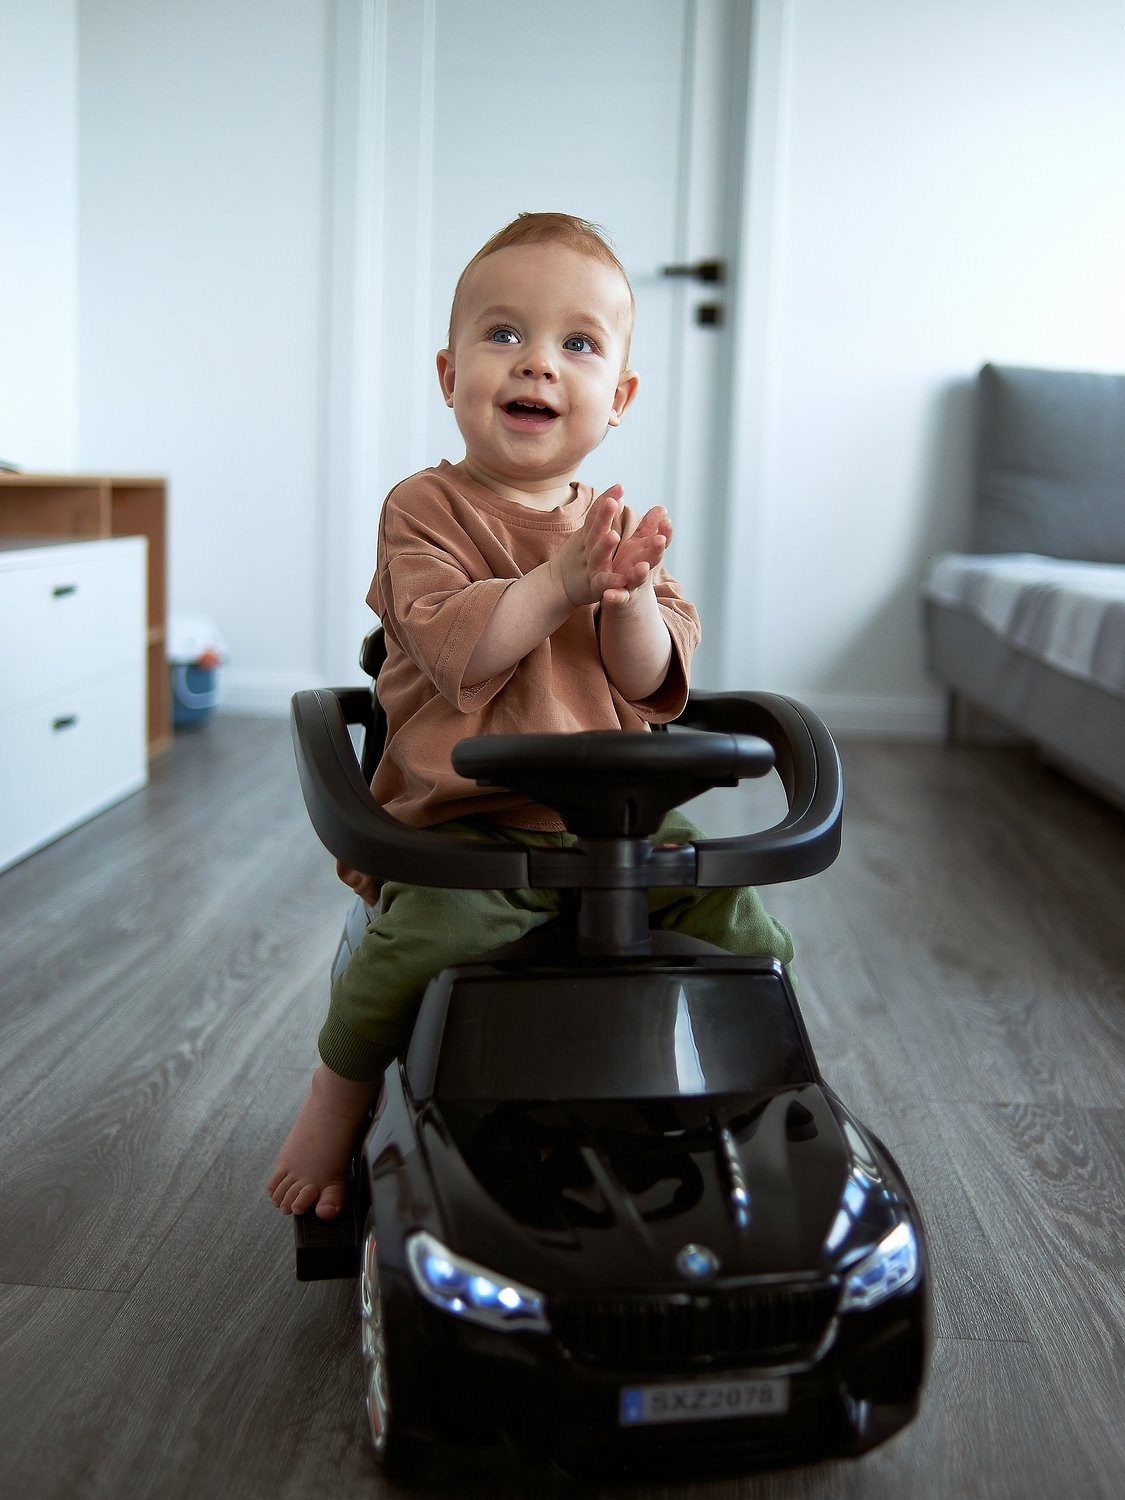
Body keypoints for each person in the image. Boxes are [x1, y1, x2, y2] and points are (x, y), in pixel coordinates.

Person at [268, 212, 794, 1220]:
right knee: (407, 952)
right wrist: (559, 581)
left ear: (620, 397)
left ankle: (759, 1118)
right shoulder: (424, 511)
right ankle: (333, 1104)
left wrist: (629, 595)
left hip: (618, 828)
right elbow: (463, 642)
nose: (538, 366)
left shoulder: (614, 534)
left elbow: (650, 681)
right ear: (447, 371)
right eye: (504, 335)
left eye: (578, 344)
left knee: (754, 930)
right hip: (470, 826)